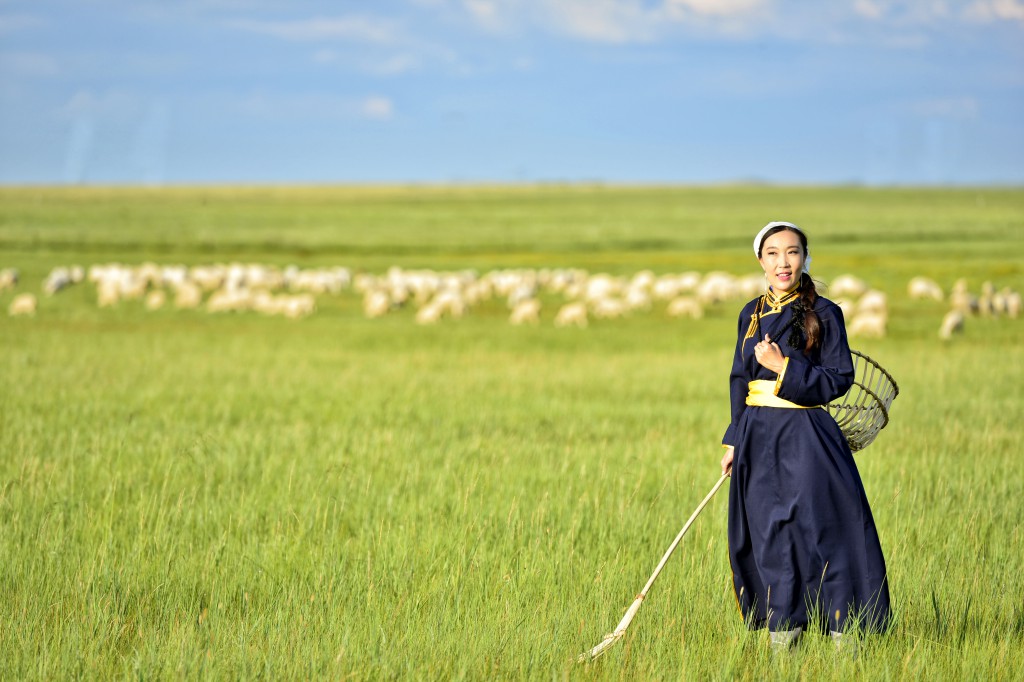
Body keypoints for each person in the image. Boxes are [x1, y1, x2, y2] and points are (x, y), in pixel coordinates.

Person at [719, 221, 890, 652]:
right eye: (773, 253)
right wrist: (733, 440)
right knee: (770, 535)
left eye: (792, 252)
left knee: (825, 532)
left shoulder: (825, 313)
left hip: (808, 437)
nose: (783, 262)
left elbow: (839, 379)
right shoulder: (749, 313)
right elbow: (740, 379)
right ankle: (784, 644)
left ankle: (844, 642)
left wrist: (784, 368)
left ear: (805, 258)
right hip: (758, 440)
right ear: (760, 261)